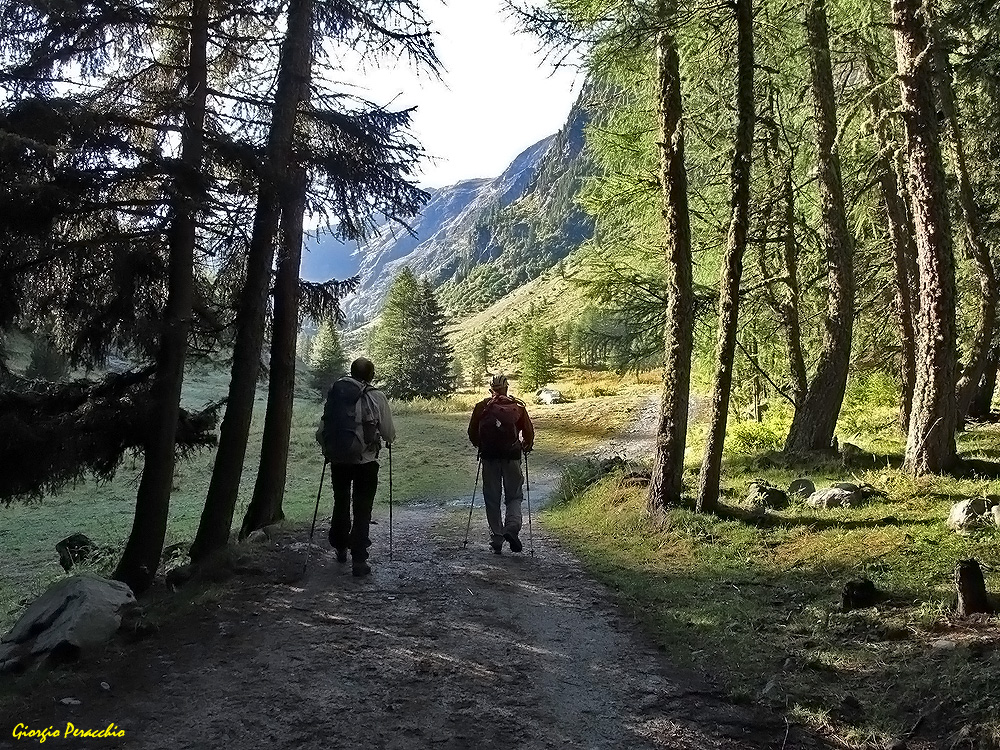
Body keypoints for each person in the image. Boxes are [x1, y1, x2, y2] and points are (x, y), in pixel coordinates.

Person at [317, 357, 396, 577]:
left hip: (339, 460)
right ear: (371, 375)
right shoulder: (376, 396)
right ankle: (359, 560)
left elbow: (323, 427)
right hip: (366, 462)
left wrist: (328, 449)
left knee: (340, 502)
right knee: (362, 509)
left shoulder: (338, 392)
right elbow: (389, 433)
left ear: (351, 373)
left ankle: (340, 547)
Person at [467, 374, 534, 554]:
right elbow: (528, 432)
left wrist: (481, 446)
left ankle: (496, 537)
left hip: (489, 458)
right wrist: (526, 446)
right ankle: (511, 528)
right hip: (512, 457)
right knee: (514, 496)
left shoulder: (482, 407)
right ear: (507, 388)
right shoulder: (518, 407)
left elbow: (472, 432)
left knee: (492, 498)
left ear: (491, 389)